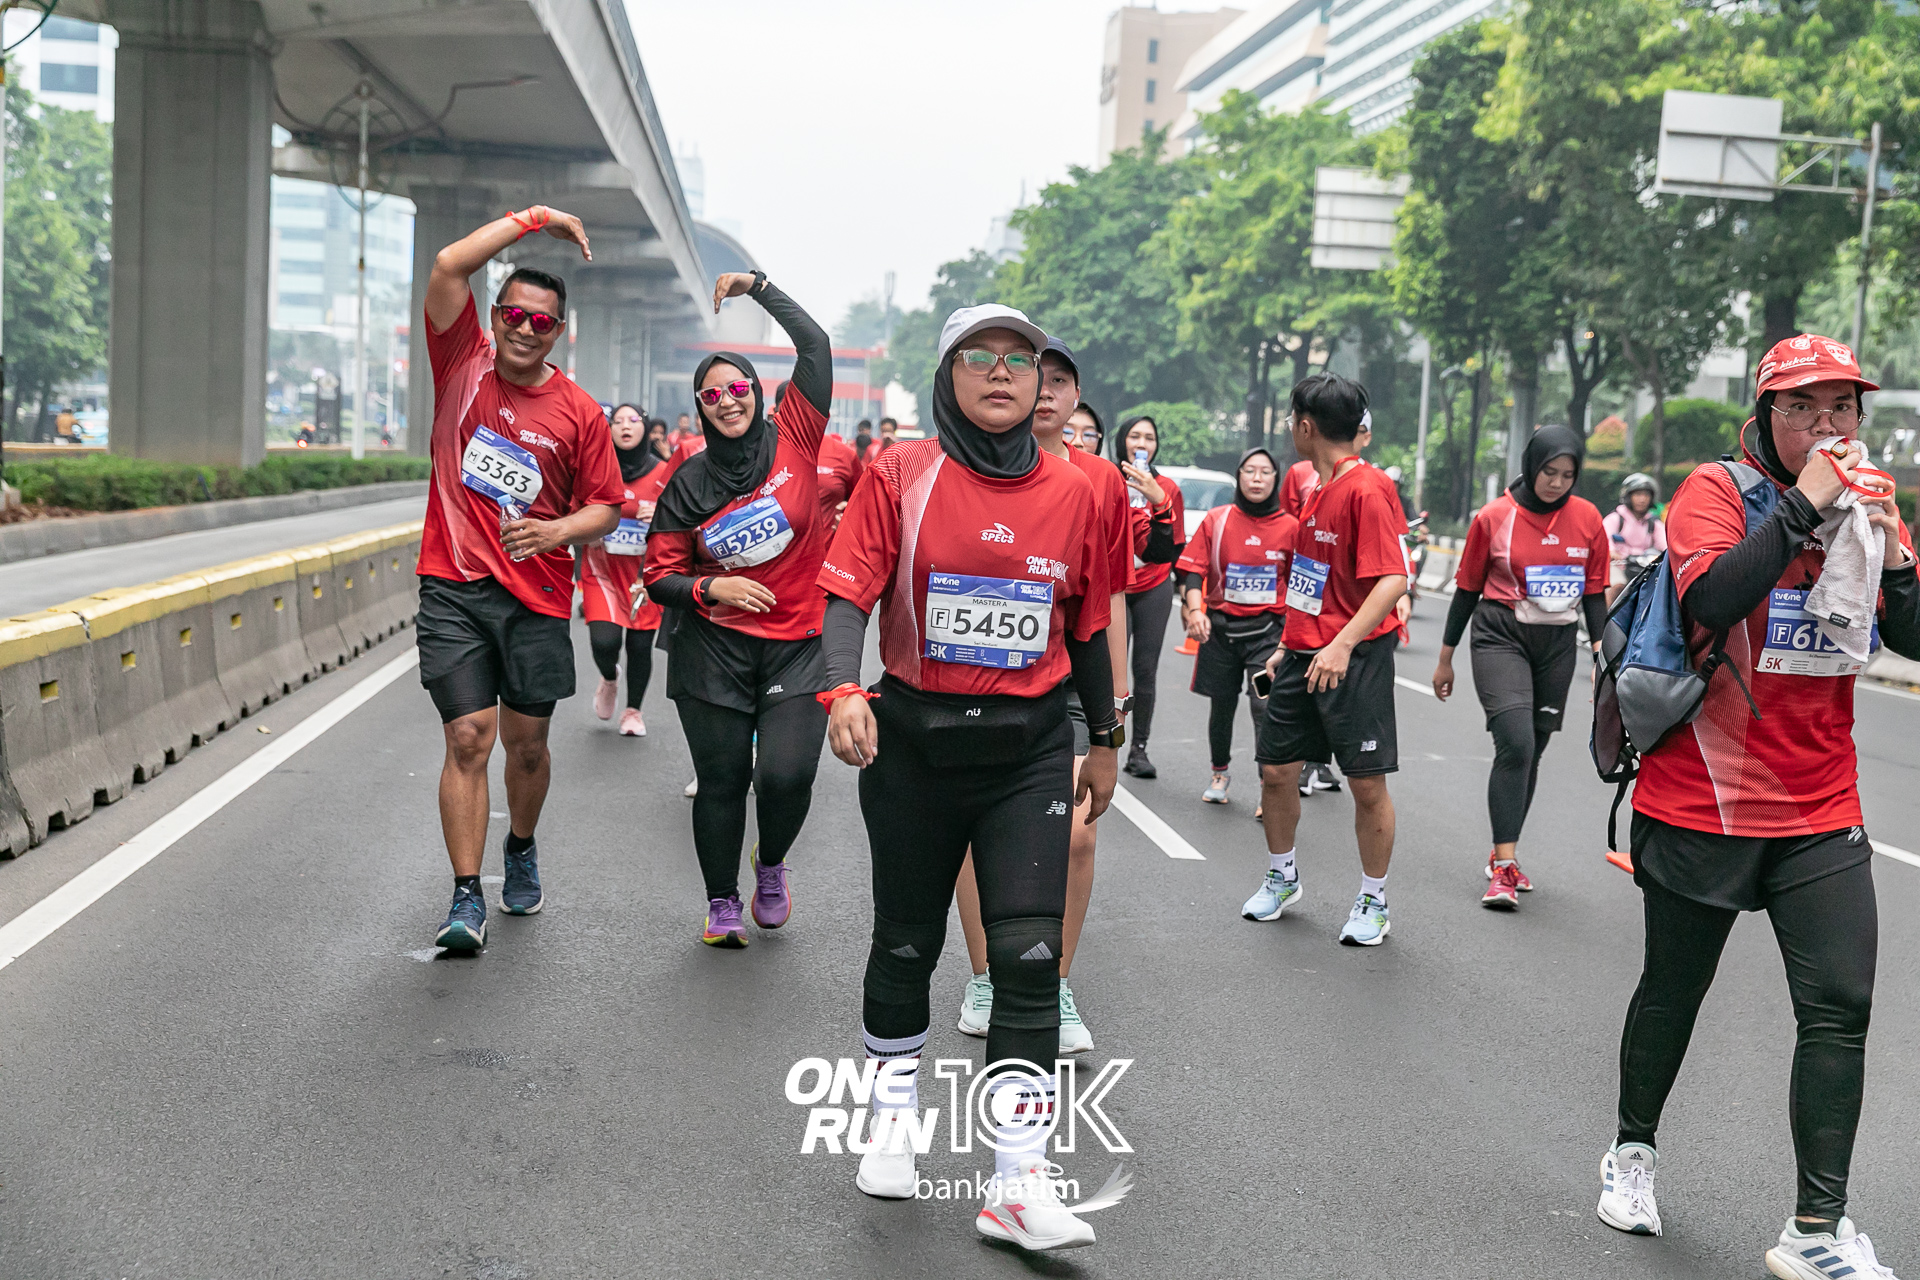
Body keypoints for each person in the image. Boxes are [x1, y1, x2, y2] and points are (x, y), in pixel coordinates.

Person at [1597, 336, 1919, 1280]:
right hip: (1705, 798)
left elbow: (1912, 635)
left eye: (1842, 408)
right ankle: (1632, 1151)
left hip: (1821, 805)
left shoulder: (1868, 504)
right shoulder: (1715, 492)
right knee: (1674, 991)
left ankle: (1816, 1227)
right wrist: (1803, 504)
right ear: (1765, 415)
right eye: (1803, 408)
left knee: (1841, 1006)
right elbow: (1713, 595)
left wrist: (1896, 556)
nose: (1827, 425)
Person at [817, 304, 1119, 1252]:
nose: (1001, 373)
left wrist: (1106, 738)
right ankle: (893, 1122)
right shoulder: (899, 473)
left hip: (1029, 750)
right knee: (907, 944)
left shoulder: (1079, 491)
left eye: (1020, 361)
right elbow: (846, 594)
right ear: (948, 374)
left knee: (1029, 958)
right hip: (915, 743)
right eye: (979, 357)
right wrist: (842, 690)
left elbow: (1087, 624)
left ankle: (1018, 1182)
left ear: (1041, 383)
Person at [415, 205, 625, 953]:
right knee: (468, 737)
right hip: (453, 586)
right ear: (494, 316)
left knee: (526, 748)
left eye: (541, 322)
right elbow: (449, 264)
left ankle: (522, 845)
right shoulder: (460, 363)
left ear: (557, 332)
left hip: (536, 598)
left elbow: (607, 506)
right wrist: (534, 219)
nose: (525, 329)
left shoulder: (580, 413)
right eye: (513, 314)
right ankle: (466, 895)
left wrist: (556, 531)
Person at [951, 342, 1165, 1057]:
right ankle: (986, 977)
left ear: (1076, 399)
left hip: (1074, 678)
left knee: (1077, 832)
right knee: (974, 828)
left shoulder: (1099, 481)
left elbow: (1109, 595)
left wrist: (1116, 699)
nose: (1044, 390)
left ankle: (1054, 982)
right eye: (1033, 376)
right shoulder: (965, 463)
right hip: (986, 674)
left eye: (1060, 380)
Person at [642, 271, 834, 948]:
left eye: (738, 388)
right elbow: (658, 574)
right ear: (700, 407)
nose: (728, 402)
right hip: (714, 653)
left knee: (787, 775)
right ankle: (722, 901)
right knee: (723, 781)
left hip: (800, 644)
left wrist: (759, 287)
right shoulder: (688, 482)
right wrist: (709, 589)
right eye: (712, 395)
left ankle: (771, 863)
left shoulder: (797, 436)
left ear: (757, 390)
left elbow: (815, 345)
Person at [1247, 375, 1408, 944]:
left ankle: (1374, 901)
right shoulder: (1317, 488)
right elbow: (1312, 582)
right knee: (1276, 772)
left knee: (1366, 786)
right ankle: (1282, 877)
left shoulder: (1367, 489)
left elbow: (1393, 579)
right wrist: (1284, 646)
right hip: (1302, 654)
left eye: (1292, 420)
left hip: (1354, 658)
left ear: (1305, 426)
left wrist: (1341, 644)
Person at [1430, 426, 1608, 906]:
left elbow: (1594, 593)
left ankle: (1503, 850)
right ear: (1531, 466)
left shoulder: (1588, 518)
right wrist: (1445, 659)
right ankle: (1505, 867)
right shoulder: (1495, 517)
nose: (1557, 483)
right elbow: (1466, 589)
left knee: (1534, 750)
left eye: (1568, 474)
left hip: (1557, 643)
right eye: (1549, 471)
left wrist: (1602, 656)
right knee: (1516, 741)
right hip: (1500, 634)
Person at [1177, 449, 1295, 812]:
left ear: (1276, 479)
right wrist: (1195, 610)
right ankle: (1219, 773)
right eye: (1249, 471)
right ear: (1239, 476)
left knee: (1264, 706)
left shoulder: (1291, 528)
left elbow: (1301, 586)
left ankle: (1267, 786)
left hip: (1267, 636)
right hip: (1221, 634)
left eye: (1265, 472)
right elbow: (1192, 570)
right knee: (1222, 705)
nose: (1257, 478)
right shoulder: (1218, 519)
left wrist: (1290, 636)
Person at [580, 403, 667, 737]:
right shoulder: (598, 469)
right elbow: (575, 508)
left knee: (640, 647)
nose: (625, 426)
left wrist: (660, 514)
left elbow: (683, 518)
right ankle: (609, 677)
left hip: (644, 575)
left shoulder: (664, 472)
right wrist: (589, 523)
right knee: (605, 641)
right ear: (610, 429)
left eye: (633, 420)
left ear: (645, 427)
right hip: (601, 571)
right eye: (617, 421)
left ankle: (633, 712)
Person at [1115, 414, 1186, 778]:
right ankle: (1103, 743)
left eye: (1149, 438)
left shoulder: (1167, 487)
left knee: (1145, 671)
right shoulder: (1107, 478)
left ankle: (1138, 750)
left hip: (1153, 586)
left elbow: (1176, 545)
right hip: (1114, 589)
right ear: (1121, 441)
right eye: (1134, 436)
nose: (1142, 444)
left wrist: (1188, 596)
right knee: (1111, 672)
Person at [1278, 454, 1342, 798]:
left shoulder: (1365, 482)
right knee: (1304, 681)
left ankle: (1320, 761)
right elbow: (1290, 525)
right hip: (1306, 581)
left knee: (1331, 685)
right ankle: (1299, 764)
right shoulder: (1299, 474)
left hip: (1341, 596)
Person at [1605, 473, 1668, 606]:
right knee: (1617, 586)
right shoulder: (1616, 518)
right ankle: (1605, 617)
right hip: (1619, 565)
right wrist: (1611, 552)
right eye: (1638, 494)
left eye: (1646, 495)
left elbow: (1666, 546)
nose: (1642, 499)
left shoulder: (1653, 523)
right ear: (1628, 496)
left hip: (1644, 567)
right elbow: (1604, 539)